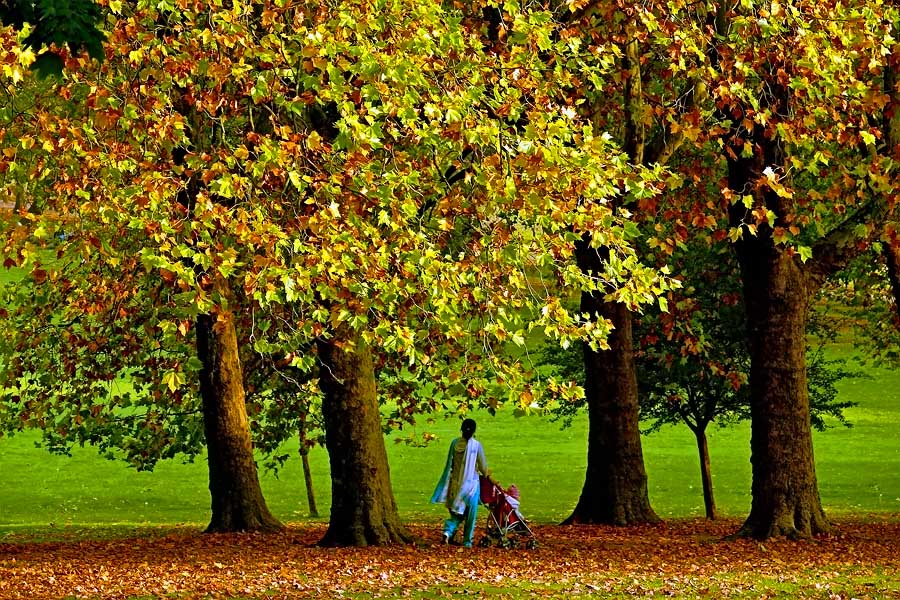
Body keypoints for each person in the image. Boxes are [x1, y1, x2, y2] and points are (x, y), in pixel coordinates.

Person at [431, 418, 490, 548]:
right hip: (471, 486)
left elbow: (450, 463)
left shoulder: (454, 443)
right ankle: (467, 541)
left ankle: (448, 531)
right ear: (474, 431)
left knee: (456, 511)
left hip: (455, 483)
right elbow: (483, 467)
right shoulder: (476, 446)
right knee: (470, 514)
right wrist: (487, 476)